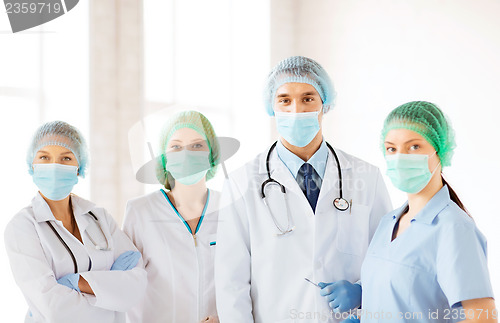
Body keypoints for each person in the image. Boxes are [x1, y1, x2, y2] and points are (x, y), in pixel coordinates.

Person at [214, 56, 393, 322]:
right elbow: (231, 282)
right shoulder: (241, 183)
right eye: (284, 100)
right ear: (271, 107)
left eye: (308, 98)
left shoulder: (367, 177)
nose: (296, 109)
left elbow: (387, 260)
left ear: (325, 104)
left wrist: (364, 293)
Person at [358, 101, 496, 322]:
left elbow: (482, 317)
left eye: (414, 147)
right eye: (391, 148)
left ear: (440, 150)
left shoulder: (453, 228)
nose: (400, 157)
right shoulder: (388, 222)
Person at [4, 121, 147, 323]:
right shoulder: (22, 227)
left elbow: (136, 284)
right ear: (32, 165)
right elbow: (54, 310)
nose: (55, 166)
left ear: (79, 167)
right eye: (44, 157)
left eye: (66, 158)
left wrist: (75, 283)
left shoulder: (99, 217)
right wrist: (110, 297)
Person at [123, 111, 221, 323]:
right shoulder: (140, 211)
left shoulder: (232, 209)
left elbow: (248, 282)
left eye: (197, 146)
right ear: (164, 158)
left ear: (211, 154)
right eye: (176, 147)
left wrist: (227, 318)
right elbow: (126, 288)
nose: (186, 155)